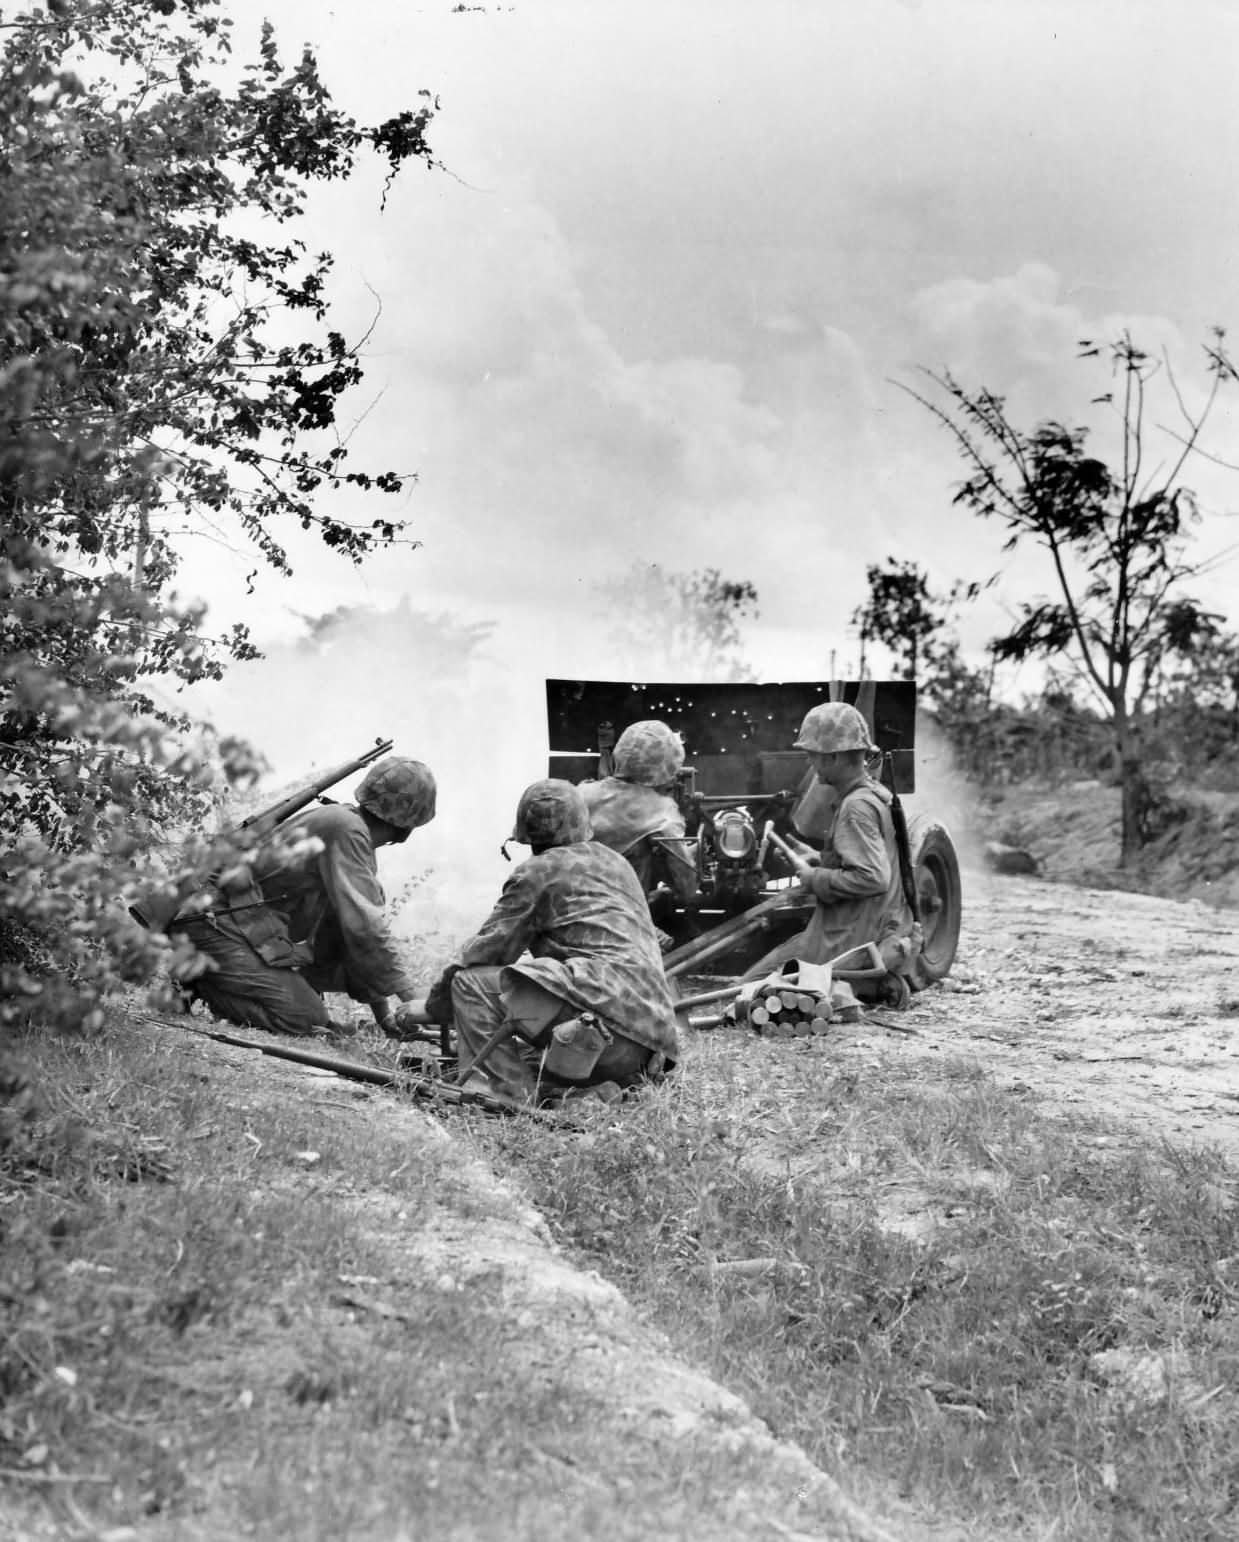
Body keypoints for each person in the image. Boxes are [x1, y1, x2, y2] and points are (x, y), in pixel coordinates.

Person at [423, 779, 679, 1108]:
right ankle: (588, 1088)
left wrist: (433, 1007)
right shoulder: (617, 863)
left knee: (468, 984)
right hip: (650, 1046)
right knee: (532, 1039)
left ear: (526, 835)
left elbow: (487, 951)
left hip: (599, 1033)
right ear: (583, 822)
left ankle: (508, 1096)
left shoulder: (537, 872)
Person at [179, 756, 436, 1037]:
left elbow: (352, 935)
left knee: (326, 994)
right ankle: (197, 980)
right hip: (216, 925)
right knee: (307, 1020)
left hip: (239, 927)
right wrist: (413, 1002)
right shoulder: (346, 832)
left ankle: (210, 974)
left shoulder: (345, 828)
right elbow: (367, 928)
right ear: (408, 825)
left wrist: (385, 1017)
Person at [743, 703, 907, 980]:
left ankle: (864, 983)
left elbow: (874, 878)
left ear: (835, 757)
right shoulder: (875, 794)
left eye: (814, 756)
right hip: (868, 926)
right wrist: (821, 859)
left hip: (851, 938)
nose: (811, 763)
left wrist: (814, 877)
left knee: (749, 986)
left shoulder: (856, 807)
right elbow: (869, 860)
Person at [579, 719, 697, 907]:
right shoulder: (661, 811)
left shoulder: (580, 794)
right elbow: (686, 886)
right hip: (622, 919)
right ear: (666, 762)